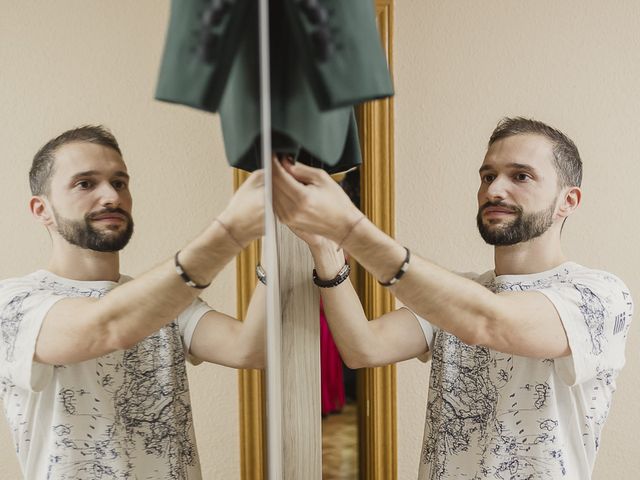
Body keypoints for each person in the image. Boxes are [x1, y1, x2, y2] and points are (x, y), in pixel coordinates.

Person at [272, 117, 633, 479]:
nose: (495, 190)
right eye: (488, 176)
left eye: (520, 176)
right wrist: (325, 250)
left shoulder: (599, 295)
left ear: (567, 201)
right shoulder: (462, 293)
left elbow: (487, 321)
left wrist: (349, 227)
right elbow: (363, 347)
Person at [0, 125, 265, 479]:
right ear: (41, 209)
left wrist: (278, 245)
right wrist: (231, 232)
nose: (111, 196)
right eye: (85, 184)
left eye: (119, 182)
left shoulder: (165, 301)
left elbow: (253, 349)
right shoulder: (15, 302)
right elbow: (106, 328)